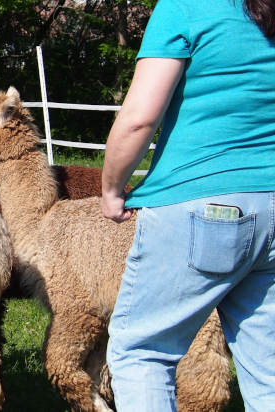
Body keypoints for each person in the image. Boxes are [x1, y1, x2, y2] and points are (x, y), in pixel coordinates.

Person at [100, 0, 275, 410]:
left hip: (201, 205)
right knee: (268, 367)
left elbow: (140, 118)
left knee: (143, 351)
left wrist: (112, 188)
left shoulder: (185, 6)